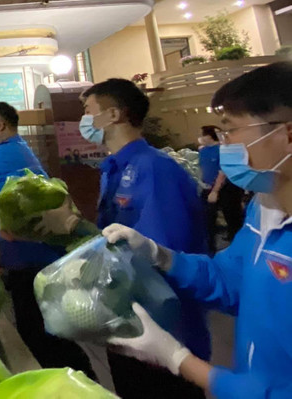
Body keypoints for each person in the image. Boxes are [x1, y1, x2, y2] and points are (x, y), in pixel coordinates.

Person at [103, 61, 292, 398]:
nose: (224, 145)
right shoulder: (264, 208)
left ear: (287, 134)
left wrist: (180, 360)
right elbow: (230, 281)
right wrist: (162, 256)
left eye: (231, 131)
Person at [72, 78, 210, 399]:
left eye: (89, 111)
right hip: (129, 320)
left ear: (114, 115)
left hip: (166, 329)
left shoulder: (155, 169)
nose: (84, 121)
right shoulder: (113, 169)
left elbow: (161, 252)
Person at [0, 102, 96, 379]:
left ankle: (78, 381)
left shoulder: (10, 153)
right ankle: (70, 380)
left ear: (0, 125)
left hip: (33, 257)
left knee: (40, 331)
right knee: (37, 328)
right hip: (27, 255)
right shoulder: (12, 151)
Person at [198, 125, 224, 252]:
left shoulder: (220, 150)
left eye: (203, 135)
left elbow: (222, 172)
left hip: (219, 188)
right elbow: (202, 168)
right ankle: (209, 245)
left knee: (228, 216)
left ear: (210, 136)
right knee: (207, 218)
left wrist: (215, 191)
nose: (201, 138)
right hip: (206, 187)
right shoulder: (202, 151)